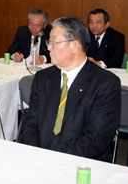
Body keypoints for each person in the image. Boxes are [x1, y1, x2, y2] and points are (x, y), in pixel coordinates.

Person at [20, 16, 121, 161]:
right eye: (49, 42)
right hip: (39, 159)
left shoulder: (105, 84)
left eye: (54, 42)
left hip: (80, 163)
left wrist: (52, 156)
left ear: (75, 45)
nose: (48, 48)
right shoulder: (42, 78)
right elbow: (30, 123)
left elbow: (95, 139)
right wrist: (37, 153)